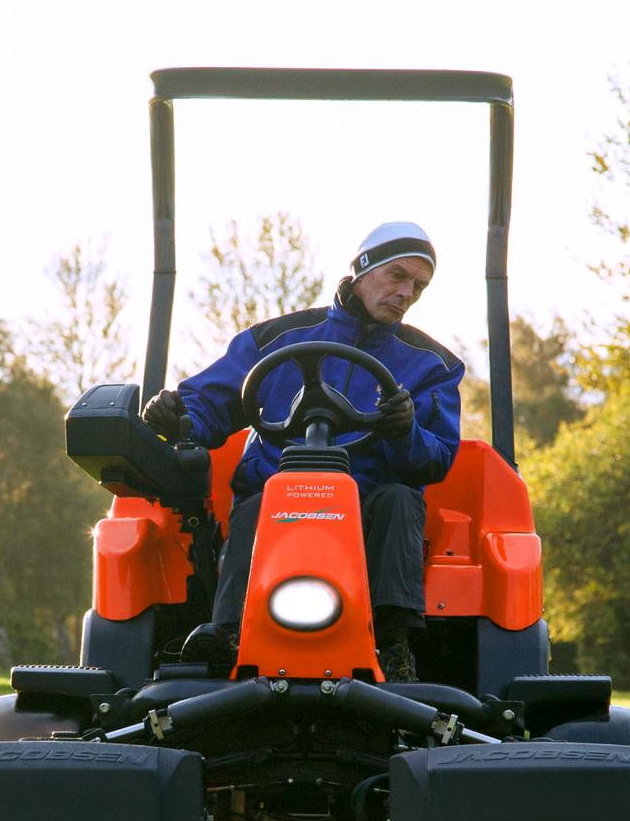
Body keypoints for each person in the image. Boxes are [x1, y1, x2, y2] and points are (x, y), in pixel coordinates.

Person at [143, 222, 464, 682]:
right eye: (397, 275)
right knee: (256, 505)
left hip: (366, 504)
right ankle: (231, 633)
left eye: (419, 285)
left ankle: (393, 645)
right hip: (277, 496)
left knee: (400, 498)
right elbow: (211, 402)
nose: (406, 292)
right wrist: (181, 417)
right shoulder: (277, 338)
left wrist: (404, 430)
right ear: (362, 269)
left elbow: (436, 459)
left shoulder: (432, 364)